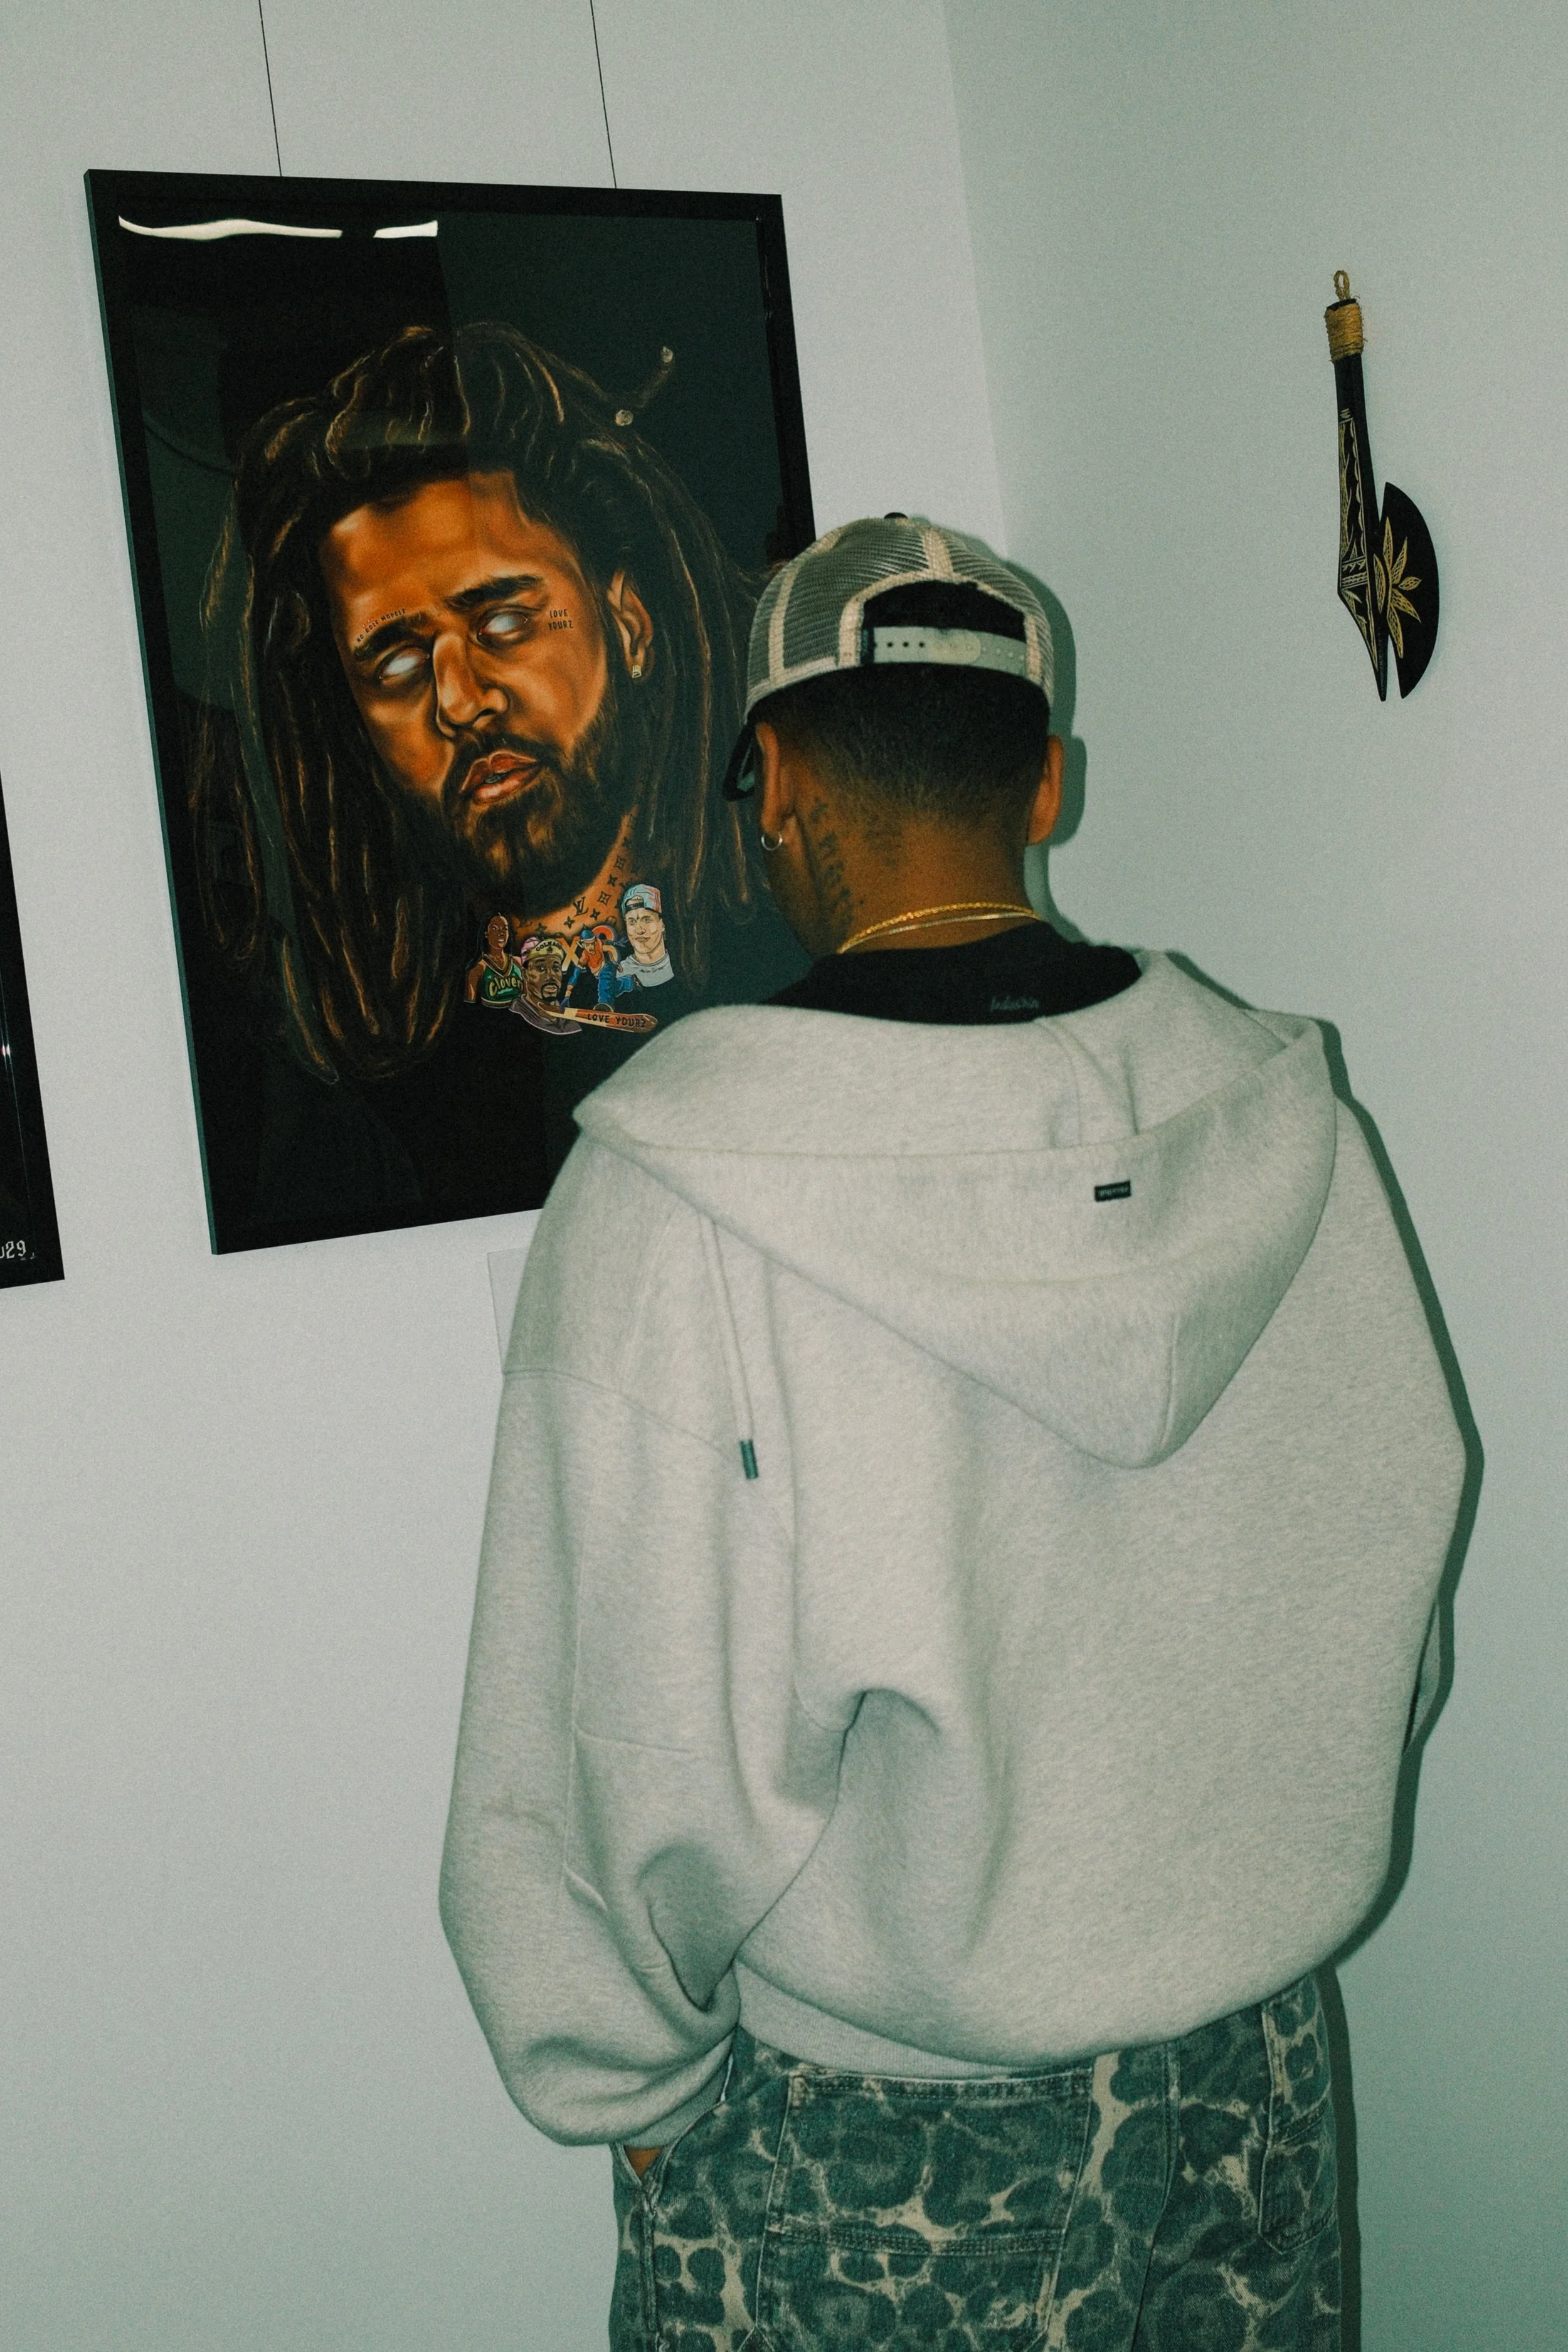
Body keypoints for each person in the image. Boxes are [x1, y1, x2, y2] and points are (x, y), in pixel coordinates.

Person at [441, 516, 1464, 2348]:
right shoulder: (1287, 1125)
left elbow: (625, 1734)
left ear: (770, 786)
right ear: (1046, 783)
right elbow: (1387, 1587)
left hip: (875, 2143)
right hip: (1253, 2086)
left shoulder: (678, 1194)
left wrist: (621, 2082)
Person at [191, 320, 802, 1222]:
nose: (459, 699)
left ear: (629, 624)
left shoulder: (792, 974)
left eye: (504, 623)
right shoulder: (370, 1118)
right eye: (397, 665)